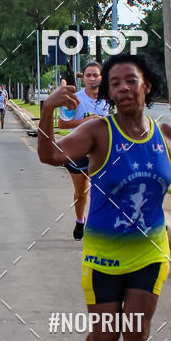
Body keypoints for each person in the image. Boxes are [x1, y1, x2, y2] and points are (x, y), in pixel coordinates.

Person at [38, 53, 171, 341]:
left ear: (146, 84)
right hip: (102, 252)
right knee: (107, 333)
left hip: (150, 250)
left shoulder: (167, 135)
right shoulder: (98, 131)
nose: (123, 88)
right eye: (115, 83)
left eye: (130, 80)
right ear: (108, 92)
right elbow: (50, 154)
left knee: (137, 327)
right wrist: (48, 108)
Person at [58, 62, 110, 240]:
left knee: (102, 190)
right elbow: (62, 124)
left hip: (103, 151)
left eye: (96, 75)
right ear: (84, 78)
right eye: (88, 75)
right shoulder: (75, 99)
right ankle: (80, 220)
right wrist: (85, 123)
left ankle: (97, 226)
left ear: (102, 77)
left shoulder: (110, 100)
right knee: (82, 191)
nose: (92, 78)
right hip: (79, 151)